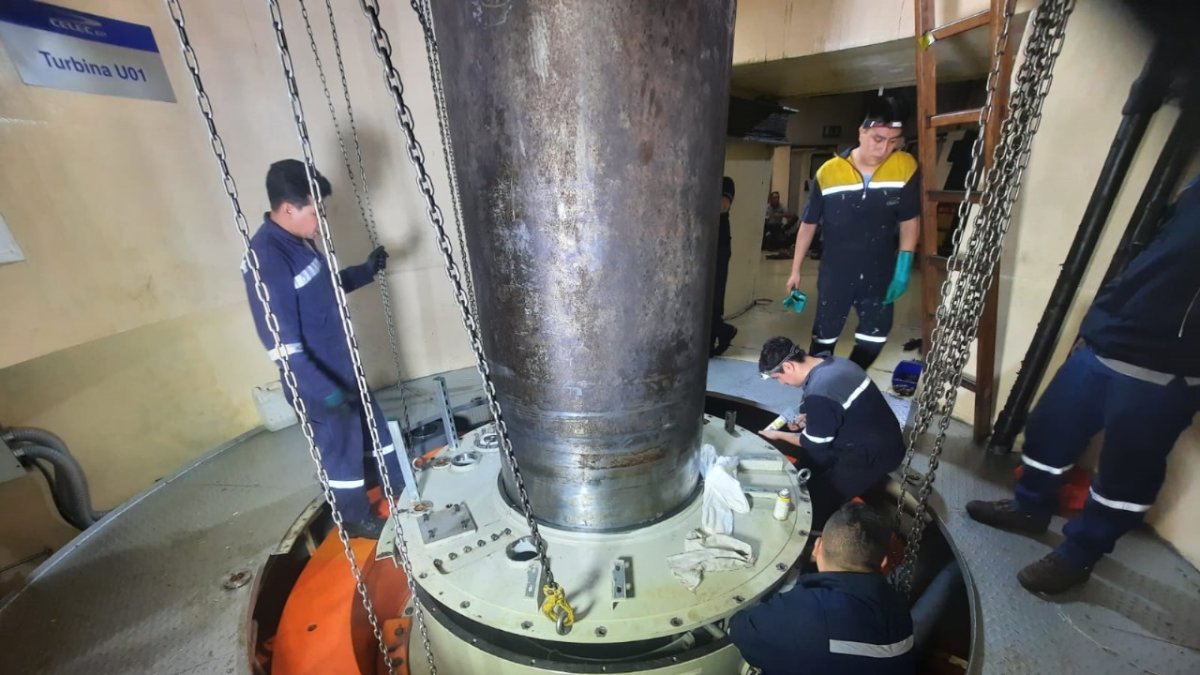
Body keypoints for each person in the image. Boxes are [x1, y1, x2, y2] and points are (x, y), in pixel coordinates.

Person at [966, 178, 1200, 595]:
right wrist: (1095, 326)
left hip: (1164, 371)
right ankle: (1028, 507)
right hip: (1106, 342)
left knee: (1126, 476)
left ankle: (1080, 555)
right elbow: (1147, 259)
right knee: (1046, 430)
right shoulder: (1192, 189)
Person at [241, 159, 403, 540]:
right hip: (315, 381)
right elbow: (282, 346)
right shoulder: (267, 257)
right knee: (340, 450)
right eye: (315, 213)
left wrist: (365, 271)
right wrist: (324, 390)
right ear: (287, 209)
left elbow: (323, 288)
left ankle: (396, 484)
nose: (320, 222)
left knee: (372, 430)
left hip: (342, 367)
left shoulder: (298, 241)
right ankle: (353, 517)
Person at [785, 97, 920, 370]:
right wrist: (795, 268)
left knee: (875, 337)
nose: (884, 149)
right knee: (823, 339)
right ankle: (818, 388)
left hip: (879, 273)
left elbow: (909, 220)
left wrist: (904, 266)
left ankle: (849, 379)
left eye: (893, 141)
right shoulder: (829, 172)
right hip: (836, 273)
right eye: (878, 139)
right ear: (862, 131)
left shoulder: (905, 167)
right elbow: (809, 223)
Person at [729, 502, 915, 675]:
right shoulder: (896, 604)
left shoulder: (804, 613)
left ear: (817, 547)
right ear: (883, 562)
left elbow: (740, 629)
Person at [757, 336, 906, 527]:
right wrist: (811, 417)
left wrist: (777, 435)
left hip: (874, 454)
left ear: (788, 367)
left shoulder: (820, 391)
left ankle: (814, 531)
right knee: (805, 467)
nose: (782, 383)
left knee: (821, 500)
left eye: (778, 378)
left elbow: (812, 444)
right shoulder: (834, 363)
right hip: (873, 433)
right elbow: (840, 405)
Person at [711, 176, 738, 357]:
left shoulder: (726, 182)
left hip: (719, 246)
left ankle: (719, 331)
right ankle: (720, 330)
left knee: (715, 295)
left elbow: (723, 206)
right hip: (700, 245)